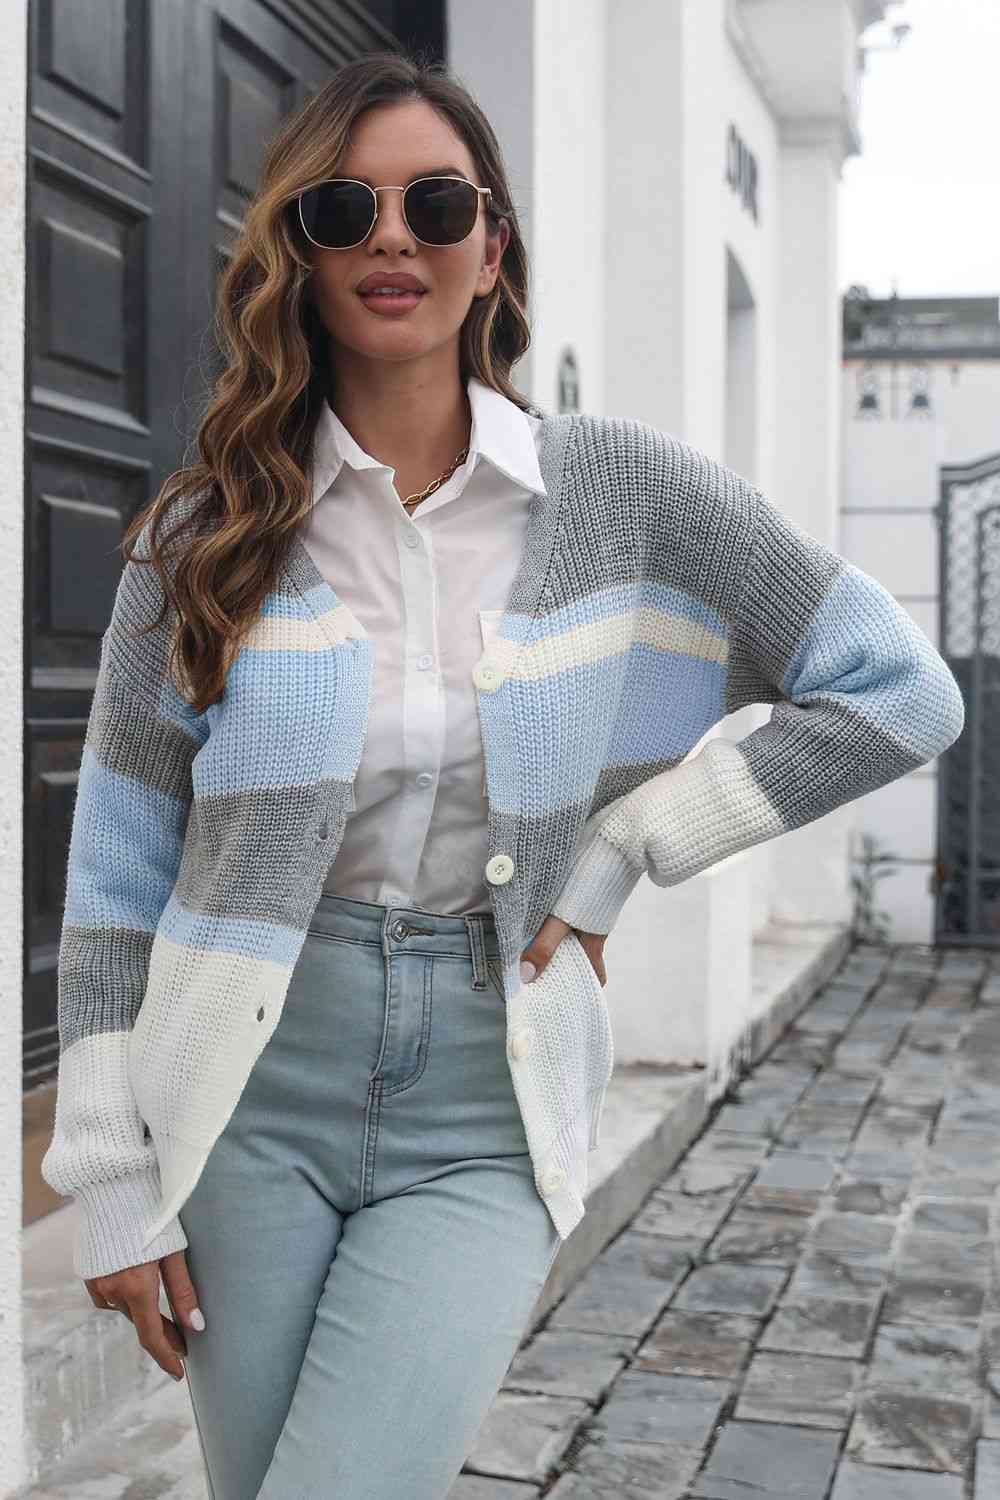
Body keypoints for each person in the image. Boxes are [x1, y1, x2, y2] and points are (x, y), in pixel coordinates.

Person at [41, 49, 965, 1500]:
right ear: (299, 253)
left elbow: (899, 689)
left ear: (493, 247)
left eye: (436, 203)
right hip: (240, 1096)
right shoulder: (206, 535)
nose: (392, 238)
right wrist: (108, 1180)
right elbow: (115, 875)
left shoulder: (625, 496)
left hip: (488, 1100)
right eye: (343, 209)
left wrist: (626, 850)